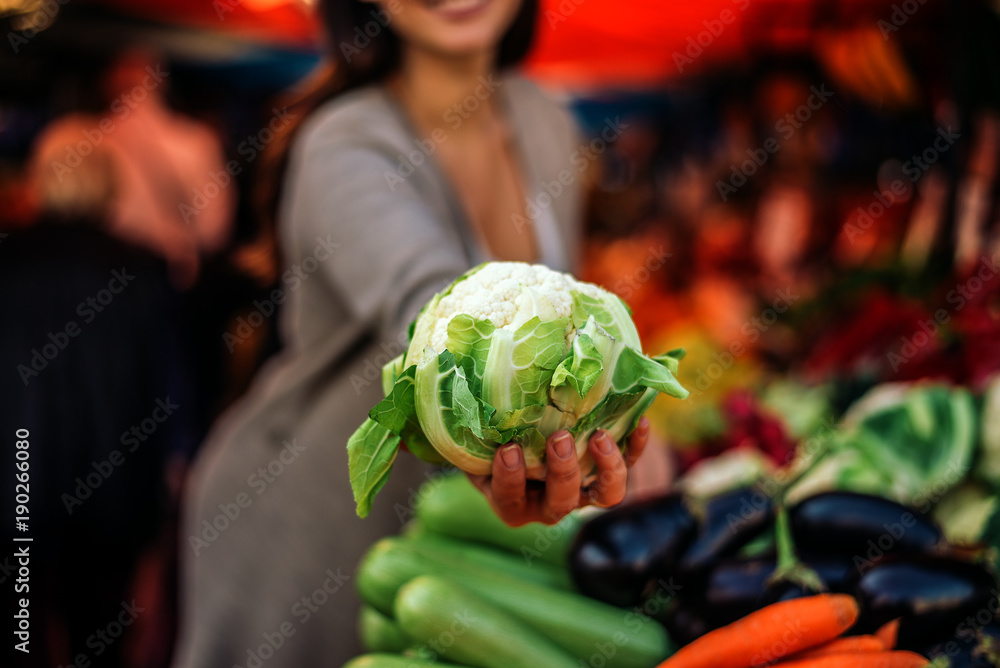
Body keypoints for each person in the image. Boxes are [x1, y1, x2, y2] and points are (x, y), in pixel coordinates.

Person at [174, 0, 650, 665]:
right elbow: (428, 303)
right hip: (312, 515)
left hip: (456, 531)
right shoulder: (343, 141)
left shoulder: (546, 121)